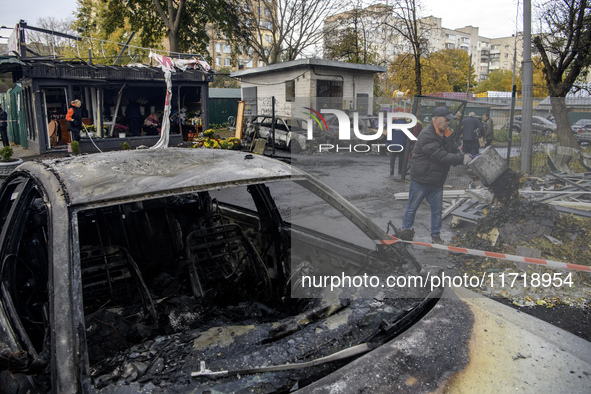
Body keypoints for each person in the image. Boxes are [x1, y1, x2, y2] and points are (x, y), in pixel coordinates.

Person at [398, 106, 470, 244]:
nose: (448, 122)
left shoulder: (446, 134)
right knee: (412, 208)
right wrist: (461, 160)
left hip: (437, 180)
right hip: (421, 180)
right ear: (435, 119)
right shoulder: (427, 134)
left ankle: (436, 236)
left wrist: (463, 155)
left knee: (437, 212)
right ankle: (405, 231)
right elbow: (439, 155)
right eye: (446, 119)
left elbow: (454, 149)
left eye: (449, 120)